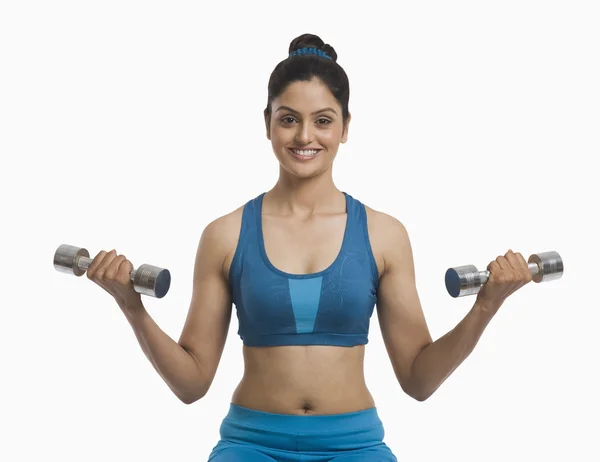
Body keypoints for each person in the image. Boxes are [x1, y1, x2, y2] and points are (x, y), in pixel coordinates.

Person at [85, 33, 533, 461]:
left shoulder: (384, 234)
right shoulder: (224, 235)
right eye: (288, 119)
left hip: (354, 445)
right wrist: (132, 307)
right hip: (251, 443)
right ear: (267, 123)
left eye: (323, 120)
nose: (304, 137)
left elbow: (418, 379)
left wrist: (485, 308)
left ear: (345, 127)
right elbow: (192, 383)